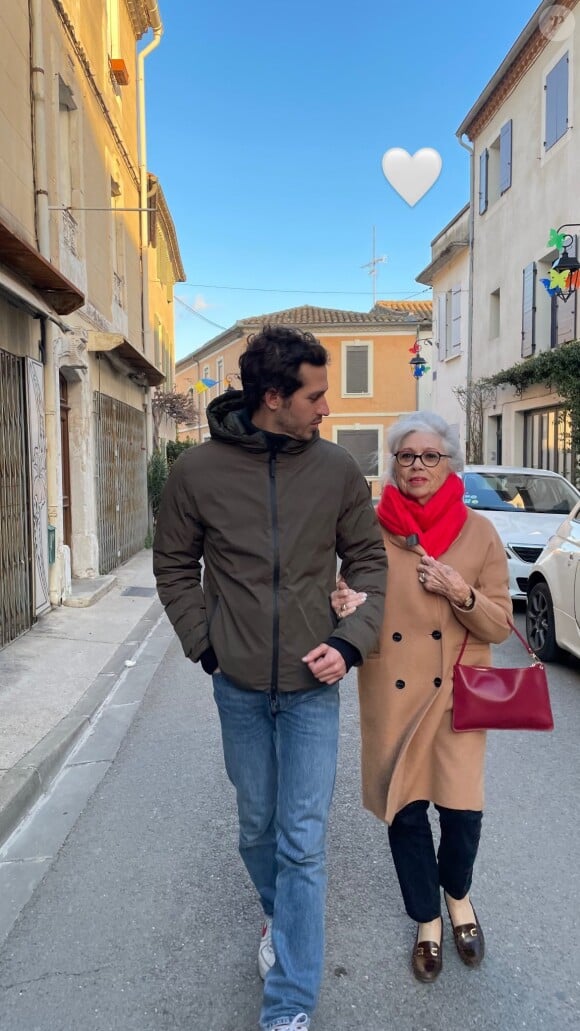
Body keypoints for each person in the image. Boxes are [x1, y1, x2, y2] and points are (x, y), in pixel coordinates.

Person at [153, 324, 386, 1031]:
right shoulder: (197, 473)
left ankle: (288, 1002)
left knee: (302, 838)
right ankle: (276, 916)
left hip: (316, 687)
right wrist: (207, 646)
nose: (326, 409)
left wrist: (348, 644)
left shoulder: (338, 470)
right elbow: (173, 566)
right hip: (240, 686)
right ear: (274, 395)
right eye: (316, 395)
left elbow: (369, 563)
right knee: (257, 827)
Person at [333, 411, 512, 984]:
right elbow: (348, 598)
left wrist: (461, 593)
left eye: (429, 456)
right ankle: (427, 919)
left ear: (449, 463)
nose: (416, 466)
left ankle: (458, 893)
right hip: (394, 693)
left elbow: (501, 626)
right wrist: (341, 605)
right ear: (393, 464)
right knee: (405, 814)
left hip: (459, 697)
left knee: (463, 814)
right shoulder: (369, 529)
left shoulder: (479, 533)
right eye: (406, 456)